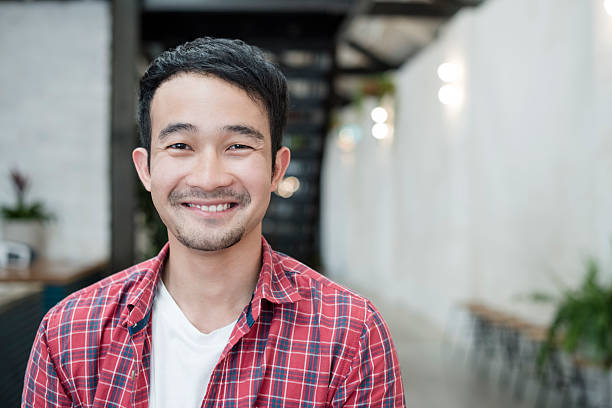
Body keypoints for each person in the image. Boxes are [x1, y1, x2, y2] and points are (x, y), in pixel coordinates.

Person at [22, 37, 405, 408]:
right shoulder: (70, 333)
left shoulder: (350, 336)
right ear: (146, 169)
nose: (208, 178)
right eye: (180, 146)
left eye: (238, 146)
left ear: (276, 168)